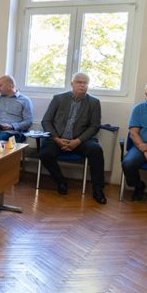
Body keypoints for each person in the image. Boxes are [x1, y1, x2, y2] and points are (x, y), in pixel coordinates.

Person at [40, 73, 106, 203]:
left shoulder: (93, 102)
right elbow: (46, 121)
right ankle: (61, 181)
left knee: (96, 150)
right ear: (72, 84)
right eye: (79, 82)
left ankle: (98, 190)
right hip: (57, 138)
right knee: (44, 154)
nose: (82, 85)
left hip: (80, 140)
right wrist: (57, 139)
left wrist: (77, 141)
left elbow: (94, 126)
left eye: (85, 83)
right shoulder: (58, 99)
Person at [0, 75, 34, 142]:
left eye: (0, 85)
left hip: (13, 132)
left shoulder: (25, 100)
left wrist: (12, 126)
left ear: (10, 86)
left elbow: (28, 121)